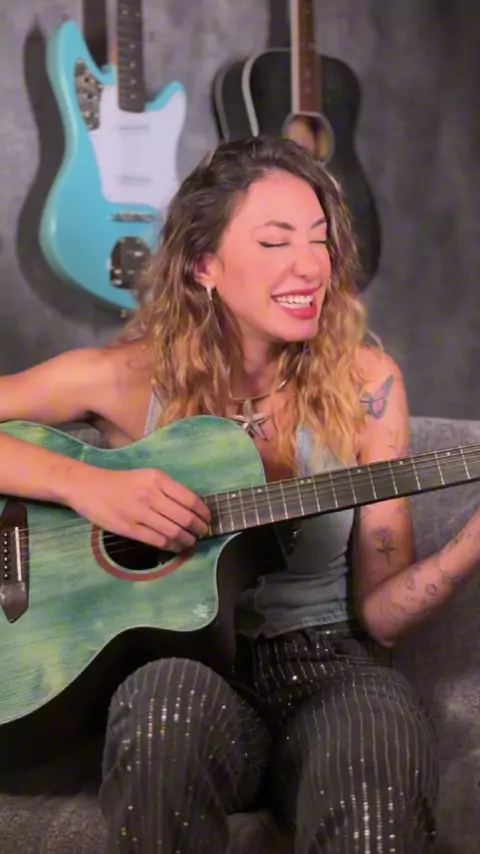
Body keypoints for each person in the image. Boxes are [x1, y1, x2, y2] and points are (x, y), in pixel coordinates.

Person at [1, 136, 479, 854]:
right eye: (275, 240)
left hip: (327, 670)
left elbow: (383, 617)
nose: (310, 265)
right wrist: (87, 484)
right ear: (204, 265)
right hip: (189, 672)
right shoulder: (127, 377)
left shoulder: (366, 383)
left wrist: (472, 541)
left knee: (380, 739)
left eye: (319, 238)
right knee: (160, 710)